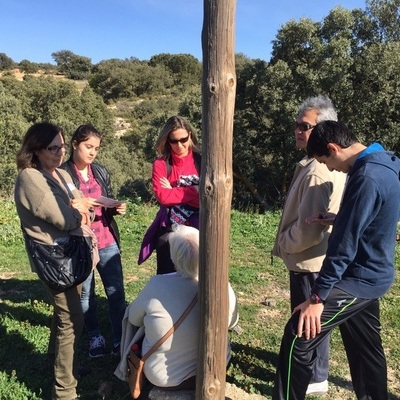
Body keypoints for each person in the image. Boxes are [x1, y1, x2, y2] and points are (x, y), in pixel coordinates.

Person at [273, 120, 400, 400]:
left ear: (334, 148)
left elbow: (343, 246)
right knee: (365, 350)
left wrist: (317, 299)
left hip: (359, 279)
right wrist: (341, 218)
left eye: (325, 160)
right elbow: (375, 213)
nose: (329, 168)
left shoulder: (367, 177)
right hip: (373, 274)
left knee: (298, 333)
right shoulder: (383, 160)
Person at [271, 95, 346, 396]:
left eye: (305, 126)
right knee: (314, 319)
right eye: (297, 124)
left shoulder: (317, 169)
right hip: (313, 258)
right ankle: (317, 372)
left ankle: (314, 377)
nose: (298, 130)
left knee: (308, 322)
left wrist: (284, 243)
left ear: (324, 129)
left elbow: (308, 229)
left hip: (310, 259)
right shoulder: (314, 163)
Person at [14, 122, 94, 400]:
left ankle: (61, 367)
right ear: (35, 149)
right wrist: (77, 212)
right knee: (71, 320)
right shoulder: (30, 178)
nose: (60, 152)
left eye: (62, 146)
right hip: (55, 260)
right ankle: (64, 390)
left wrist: (79, 210)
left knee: (68, 319)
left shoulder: (60, 173)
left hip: (73, 255)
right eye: (53, 148)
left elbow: (85, 206)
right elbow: (63, 217)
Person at [115, 225, 239, 390]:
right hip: (216, 369)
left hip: (166, 378)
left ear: (173, 256)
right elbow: (232, 323)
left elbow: (133, 319)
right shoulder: (222, 285)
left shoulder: (157, 285)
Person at [61, 124, 126, 358]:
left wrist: (115, 208)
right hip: (82, 243)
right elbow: (60, 210)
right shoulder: (63, 174)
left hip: (107, 238)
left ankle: (120, 339)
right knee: (86, 294)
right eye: (88, 146)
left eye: (96, 149)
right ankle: (95, 337)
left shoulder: (100, 171)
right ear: (74, 144)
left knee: (116, 292)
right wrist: (79, 205)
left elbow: (105, 200)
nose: (92, 153)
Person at [138, 115, 201, 275]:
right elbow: (163, 197)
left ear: (190, 135)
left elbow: (207, 197)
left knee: (198, 274)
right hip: (170, 226)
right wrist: (194, 190)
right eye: (174, 141)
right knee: (167, 274)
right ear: (167, 140)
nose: (179, 145)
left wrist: (174, 190)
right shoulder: (161, 164)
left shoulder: (202, 161)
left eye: (183, 139)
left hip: (199, 224)